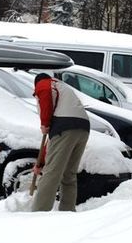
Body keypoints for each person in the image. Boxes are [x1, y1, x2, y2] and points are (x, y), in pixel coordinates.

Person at [31, 73, 90, 212]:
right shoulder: (62, 87)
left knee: (51, 173)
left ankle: (39, 212)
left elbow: (43, 91)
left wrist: (44, 123)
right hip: (83, 127)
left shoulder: (44, 83)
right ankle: (67, 211)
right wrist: (41, 164)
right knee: (69, 174)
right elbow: (54, 142)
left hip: (64, 125)